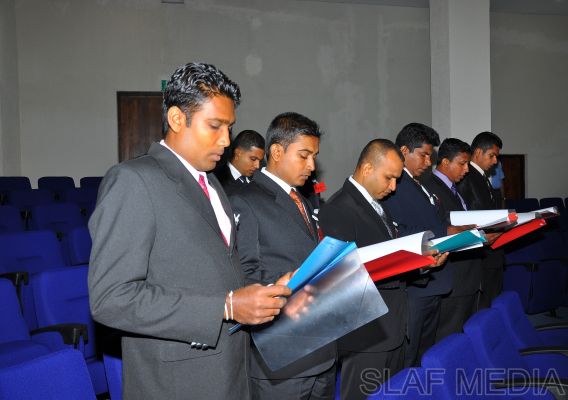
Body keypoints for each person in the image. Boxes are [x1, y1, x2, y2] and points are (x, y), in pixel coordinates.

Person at [88, 62, 292, 400]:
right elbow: (111, 299)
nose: (226, 140)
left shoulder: (211, 182)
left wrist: (263, 294)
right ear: (176, 119)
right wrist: (225, 307)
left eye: (229, 127)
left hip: (231, 368)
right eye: (215, 126)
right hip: (179, 381)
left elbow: (216, 272)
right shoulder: (133, 181)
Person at [230, 112, 336, 400]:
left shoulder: (302, 199)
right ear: (277, 152)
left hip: (320, 346)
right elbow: (242, 276)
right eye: (304, 155)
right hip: (281, 355)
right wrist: (283, 282)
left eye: (314, 156)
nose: (312, 166)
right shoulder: (244, 199)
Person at [318, 139, 406, 400]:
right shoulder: (338, 208)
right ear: (367, 169)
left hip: (392, 323)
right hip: (366, 332)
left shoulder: (376, 203)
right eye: (389, 178)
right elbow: (339, 276)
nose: (393, 187)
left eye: (397, 179)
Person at [380, 123, 455, 368]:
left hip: (430, 278)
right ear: (404, 151)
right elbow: (397, 230)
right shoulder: (394, 186)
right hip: (415, 284)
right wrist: (445, 233)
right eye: (423, 155)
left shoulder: (418, 183)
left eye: (430, 156)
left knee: (425, 351)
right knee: (409, 356)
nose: (428, 162)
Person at [419, 138, 482, 341]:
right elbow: (437, 228)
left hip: (466, 275)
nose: (466, 170)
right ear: (446, 162)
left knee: (463, 334)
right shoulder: (430, 187)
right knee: (449, 337)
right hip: (452, 275)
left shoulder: (455, 187)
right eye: (462, 164)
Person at [457, 131, 505, 309]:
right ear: (478, 152)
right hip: (481, 252)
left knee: (493, 302)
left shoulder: (483, 177)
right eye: (491, 156)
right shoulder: (466, 177)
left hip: (492, 251)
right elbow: (465, 214)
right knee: (483, 307)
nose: (495, 161)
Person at [214, 129, 265, 194]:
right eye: (253, 159)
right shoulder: (218, 180)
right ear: (238, 153)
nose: (257, 166)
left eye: (260, 161)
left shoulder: (258, 181)